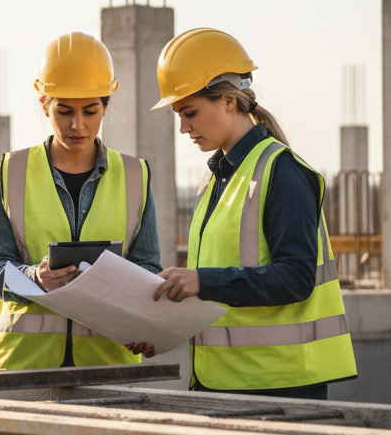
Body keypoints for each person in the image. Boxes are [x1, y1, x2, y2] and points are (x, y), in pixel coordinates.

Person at [143, 27, 357, 399]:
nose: (183, 128)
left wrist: (202, 280)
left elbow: (295, 277)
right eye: (179, 115)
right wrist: (163, 331)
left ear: (228, 100)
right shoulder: (215, 181)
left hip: (279, 387)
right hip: (223, 382)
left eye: (189, 112)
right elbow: (219, 293)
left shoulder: (282, 171)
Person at [0, 32, 162, 370]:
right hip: (25, 365)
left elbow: (149, 268)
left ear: (106, 106)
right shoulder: (11, 172)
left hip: (108, 364)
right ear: (44, 104)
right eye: (64, 111)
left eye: (90, 111)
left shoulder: (136, 176)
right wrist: (35, 277)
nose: (78, 124)